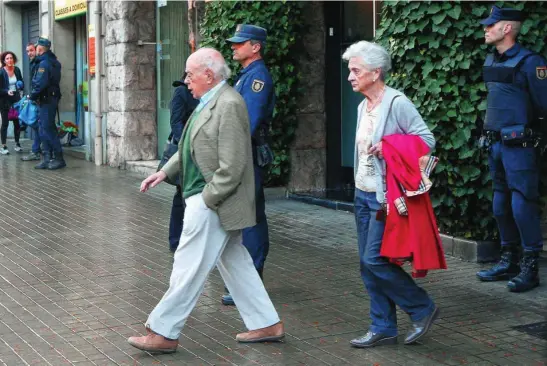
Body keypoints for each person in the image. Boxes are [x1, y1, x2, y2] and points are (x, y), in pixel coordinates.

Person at [127, 48, 284, 353]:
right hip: (207, 198)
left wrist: (207, 199)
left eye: (190, 74)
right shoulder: (209, 101)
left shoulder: (229, 104)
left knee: (188, 265)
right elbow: (190, 143)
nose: (186, 81)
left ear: (208, 75)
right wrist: (164, 172)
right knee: (235, 261)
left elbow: (234, 164)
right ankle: (266, 323)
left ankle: (163, 331)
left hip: (213, 200)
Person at [343, 41, 439, 348]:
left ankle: (422, 307)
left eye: (355, 70)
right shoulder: (362, 106)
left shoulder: (396, 103)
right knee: (366, 264)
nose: (350, 77)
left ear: (376, 72)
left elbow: (426, 140)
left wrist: (390, 146)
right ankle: (383, 326)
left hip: (386, 199)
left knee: (375, 261)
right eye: (349, 70)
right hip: (362, 193)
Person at [476, 6, 546, 293]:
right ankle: (509, 259)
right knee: (500, 204)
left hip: (521, 147)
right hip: (496, 145)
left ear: (507, 28)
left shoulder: (531, 63)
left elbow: (544, 107)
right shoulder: (493, 59)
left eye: (490, 25)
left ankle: (530, 267)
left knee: (521, 204)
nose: (485, 29)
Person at [221, 24, 276, 306]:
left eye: (240, 43)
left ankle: (252, 280)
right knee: (249, 216)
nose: (234, 47)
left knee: (251, 218)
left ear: (256, 47)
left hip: (247, 154)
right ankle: (249, 280)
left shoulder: (258, 79)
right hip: (243, 153)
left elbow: (248, 123)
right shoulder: (246, 76)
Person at [166, 76, 198, 252]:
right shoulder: (182, 91)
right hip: (186, 151)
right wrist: (186, 146)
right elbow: (175, 122)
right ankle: (176, 240)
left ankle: (181, 240)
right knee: (182, 195)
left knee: (185, 196)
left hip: (200, 152)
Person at [30, 36, 64, 170]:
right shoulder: (54, 61)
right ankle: (47, 157)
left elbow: (40, 83)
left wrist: (32, 96)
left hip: (46, 99)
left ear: (39, 49)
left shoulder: (44, 63)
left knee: (47, 129)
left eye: (37, 48)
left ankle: (58, 158)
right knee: (45, 128)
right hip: (49, 99)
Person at [0, 51, 24, 155]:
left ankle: (17, 143)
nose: (10, 60)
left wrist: (20, 85)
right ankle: (4, 146)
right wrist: (6, 91)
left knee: (17, 123)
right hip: (4, 100)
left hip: (16, 99)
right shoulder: (1, 72)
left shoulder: (17, 70)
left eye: (11, 58)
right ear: (4, 61)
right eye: (7, 58)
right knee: (5, 123)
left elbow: (21, 83)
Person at [21, 42, 42, 162]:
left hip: (38, 99)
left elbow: (38, 82)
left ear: (36, 50)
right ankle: (37, 150)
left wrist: (33, 96)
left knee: (37, 125)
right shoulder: (33, 62)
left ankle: (37, 151)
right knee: (36, 125)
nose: (29, 53)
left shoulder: (39, 63)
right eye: (27, 51)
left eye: (31, 50)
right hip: (34, 98)